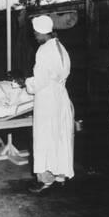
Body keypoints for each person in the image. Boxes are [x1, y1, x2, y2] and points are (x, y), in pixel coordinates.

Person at [25, 15, 74, 193]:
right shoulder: (60, 47)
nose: (35, 36)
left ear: (40, 32)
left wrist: (27, 83)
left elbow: (40, 81)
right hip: (60, 97)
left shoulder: (44, 50)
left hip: (46, 99)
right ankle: (60, 175)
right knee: (58, 137)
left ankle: (45, 179)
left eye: (35, 33)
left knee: (44, 138)